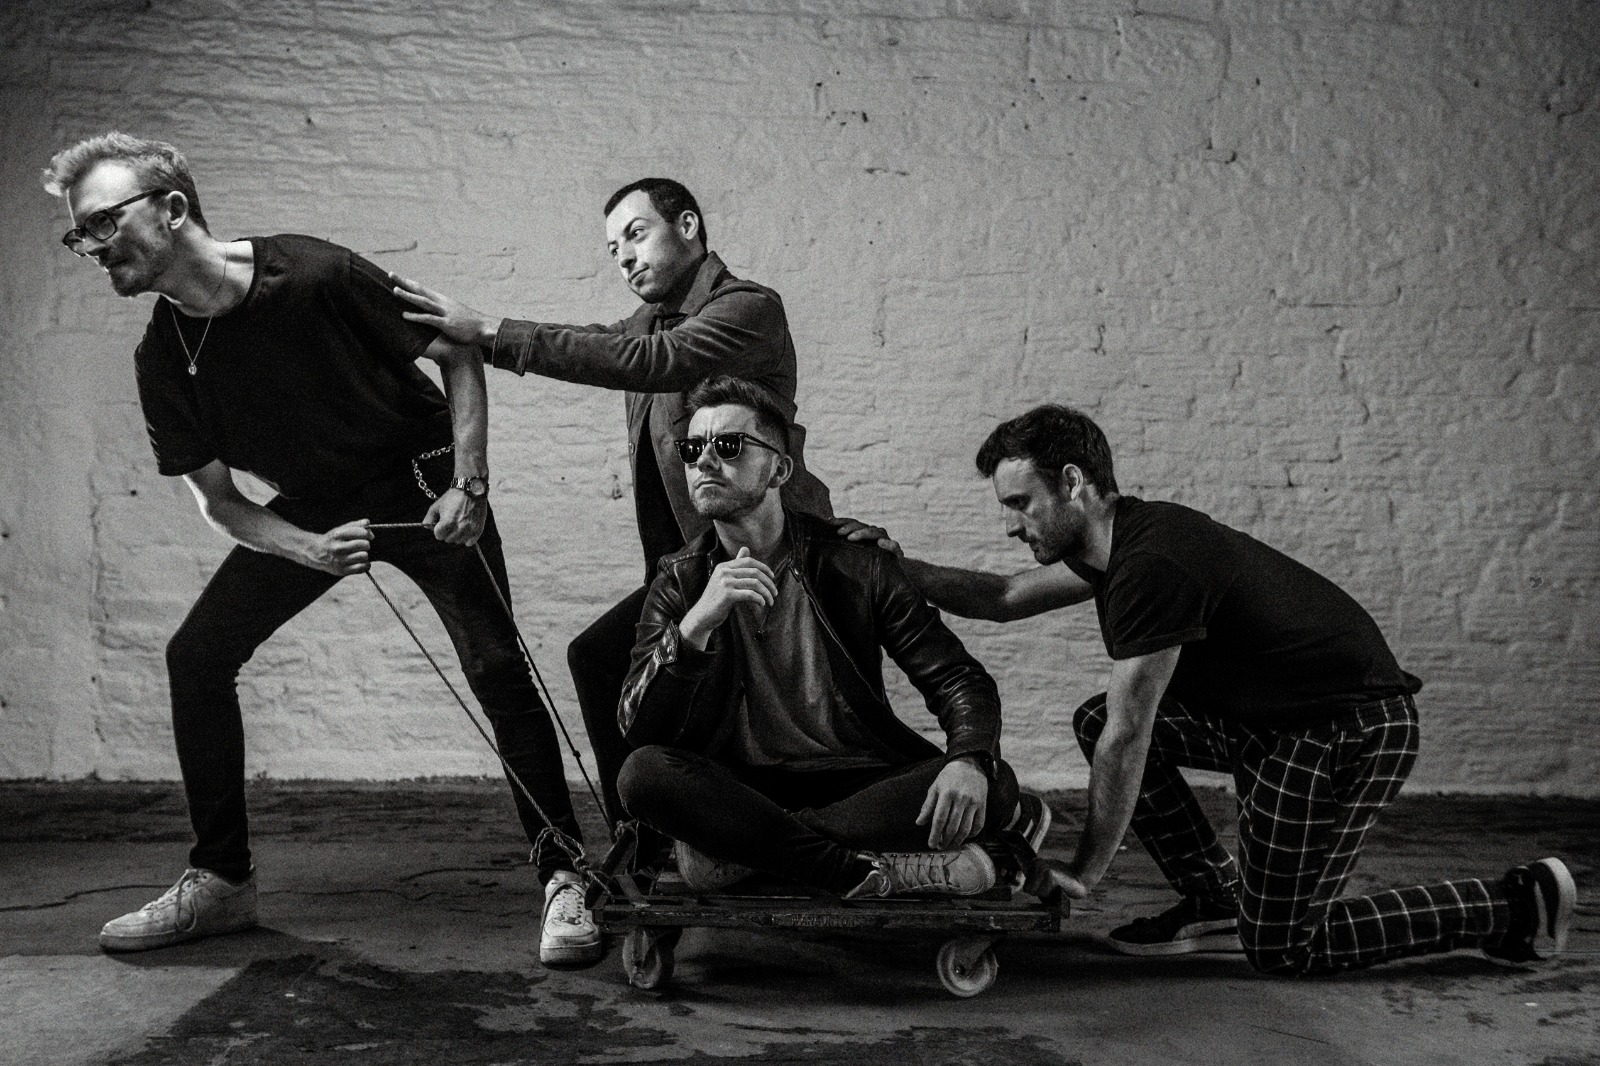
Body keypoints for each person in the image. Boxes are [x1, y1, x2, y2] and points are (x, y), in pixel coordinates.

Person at [42, 133, 599, 967]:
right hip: (316, 502)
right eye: (78, 232)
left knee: (496, 666)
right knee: (197, 656)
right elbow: (221, 501)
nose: (90, 245)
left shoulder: (315, 274)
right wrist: (304, 546)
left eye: (101, 222)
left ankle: (566, 875)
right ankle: (221, 881)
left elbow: (455, 348)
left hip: (424, 479)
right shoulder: (162, 357)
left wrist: (470, 485)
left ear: (173, 208)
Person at [838, 403, 1576, 973]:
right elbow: (1002, 596)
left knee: (1284, 948)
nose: (1010, 524)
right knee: (1096, 718)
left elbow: (1132, 733)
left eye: (1021, 503)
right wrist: (898, 568)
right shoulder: (1116, 543)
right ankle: (1216, 899)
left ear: (1073, 483)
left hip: (1344, 729)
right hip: (1270, 724)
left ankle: (1515, 904)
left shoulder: (1153, 563)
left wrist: (1085, 871)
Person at [388, 179, 832, 834]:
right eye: (612, 248)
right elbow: (600, 342)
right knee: (598, 658)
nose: (623, 256)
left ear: (687, 226)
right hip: (692, 565)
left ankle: (722, 831)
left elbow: (652, 362)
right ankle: (644, 836)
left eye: (636, 233)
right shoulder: (648, 325)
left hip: (774, 556)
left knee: (726, 710)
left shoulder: (749, 308)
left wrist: (486, 328)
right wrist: (465, 338)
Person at [611, 375, 1051, 898]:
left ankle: (756, 853)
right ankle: (856, 868)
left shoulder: (856, 563)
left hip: (857, 780)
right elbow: (639, 726)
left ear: (779, 469)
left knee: (994, 784)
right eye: (692, 449)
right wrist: (695, 626)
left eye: (728, 446)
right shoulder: (680, 580)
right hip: (745, 788)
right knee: (642, 775)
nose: (704, 461)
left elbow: (958, 679)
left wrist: (969, 760)